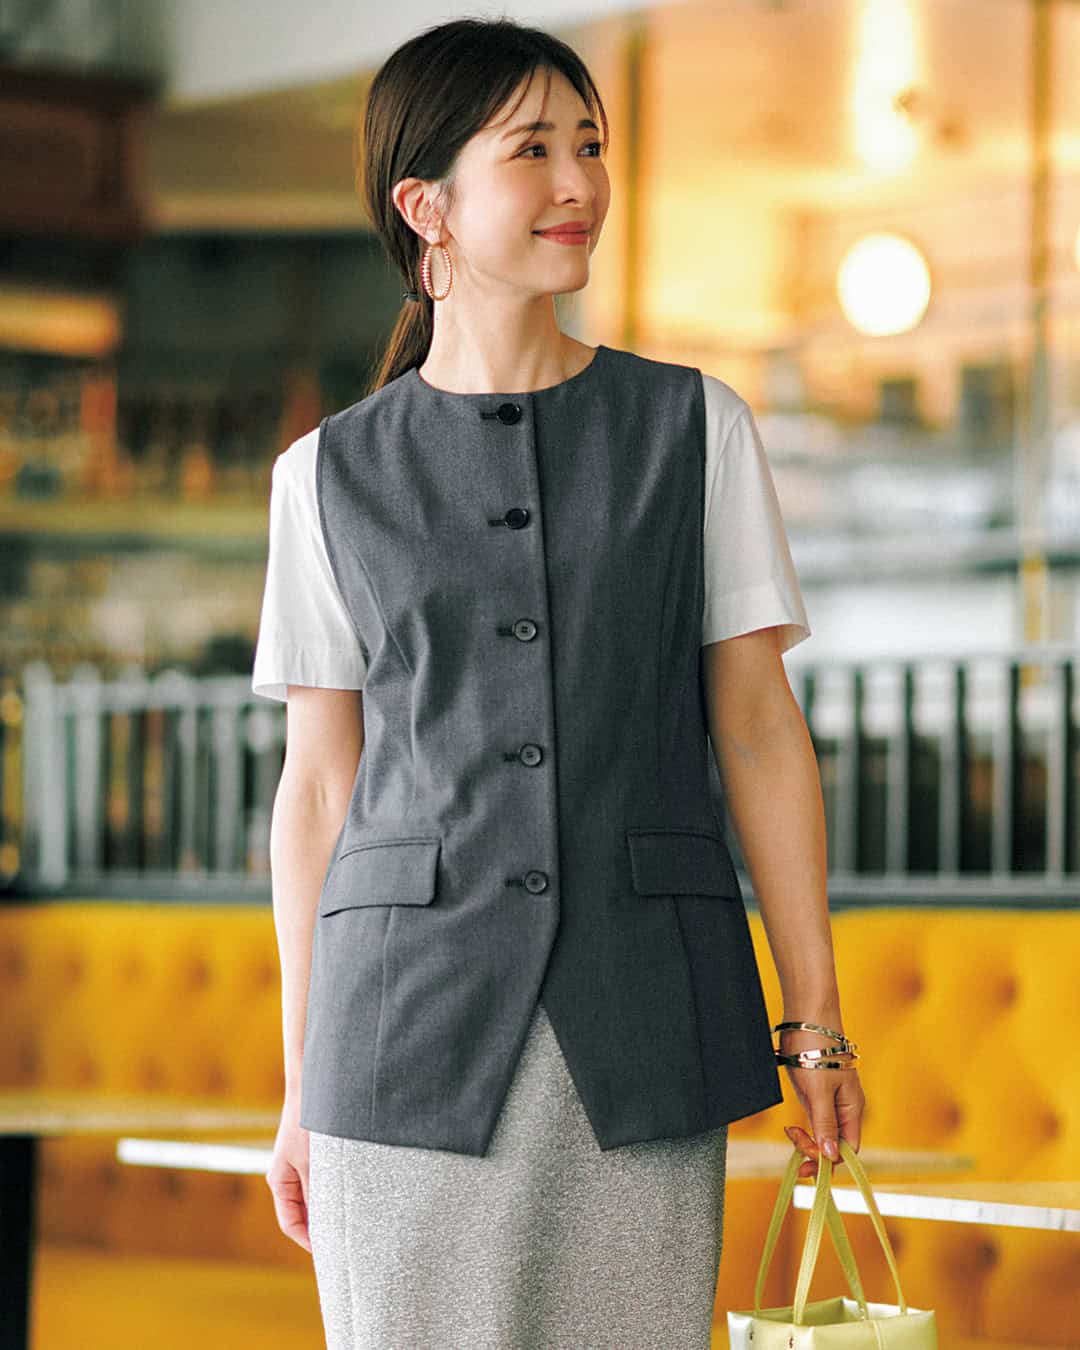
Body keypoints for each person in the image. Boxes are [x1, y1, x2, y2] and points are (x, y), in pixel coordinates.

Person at [251, 16, 865, 1349]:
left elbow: (759, 730)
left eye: (591, 143)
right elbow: (319, 790)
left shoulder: (695, 429)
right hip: (398, 1034)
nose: (581, 181)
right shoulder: (324, 477)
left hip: (644, 1021)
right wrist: (301, 1078)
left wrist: (813, 1018)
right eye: (533, 149)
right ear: (427, 206)